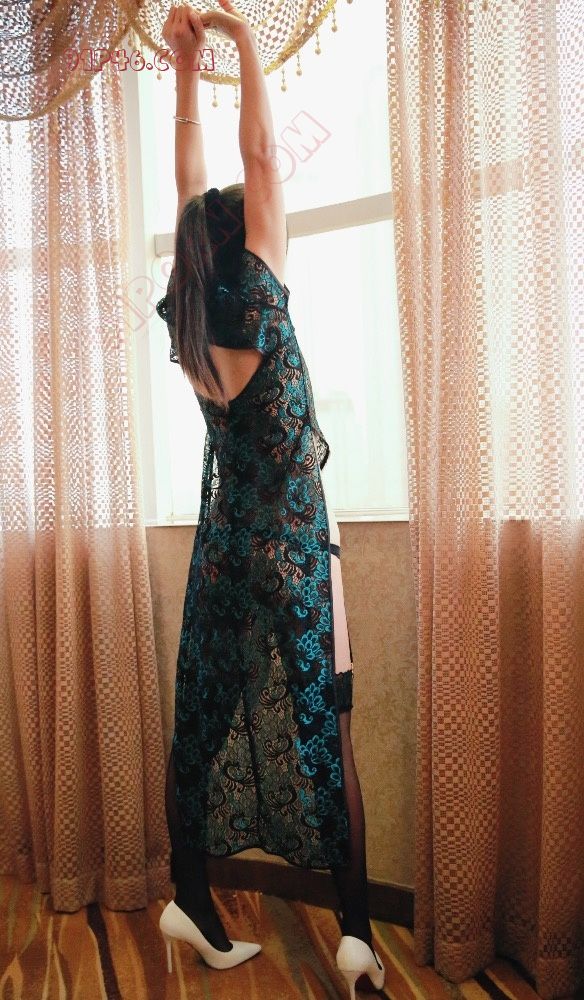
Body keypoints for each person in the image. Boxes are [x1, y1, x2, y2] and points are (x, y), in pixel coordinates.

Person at [156, 3, 385, 995]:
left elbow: (190, 187)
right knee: (327, 731)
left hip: (222, 550)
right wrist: (240, 41)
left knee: (200, 731)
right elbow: (258, 155)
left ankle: (189, 900)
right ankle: (356, 933)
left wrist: (183, 72)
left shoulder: (190, 323)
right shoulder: (261, 289)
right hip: (294, 551)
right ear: (240, 235)